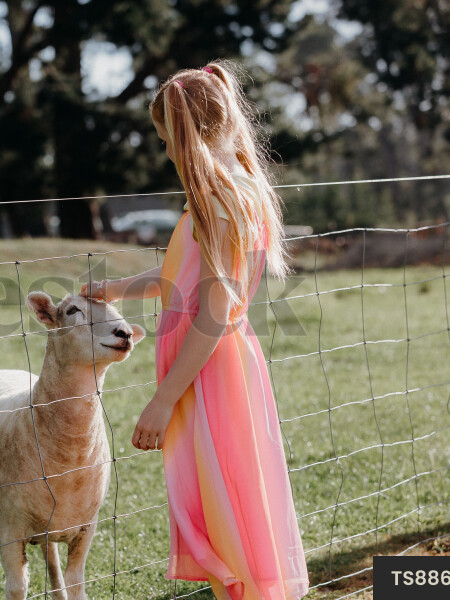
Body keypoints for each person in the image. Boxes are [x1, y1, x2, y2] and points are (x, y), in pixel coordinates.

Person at [81, 62, 309, 600]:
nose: (166, 153)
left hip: (207, 375)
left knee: (226, 509)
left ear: (186, 134)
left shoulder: (221, 203)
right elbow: (179, 279)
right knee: (221, 500)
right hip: (206, 371)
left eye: (166, 140)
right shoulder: (229, 192)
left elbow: (212, 313)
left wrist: (162, 399)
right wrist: (116, 289)